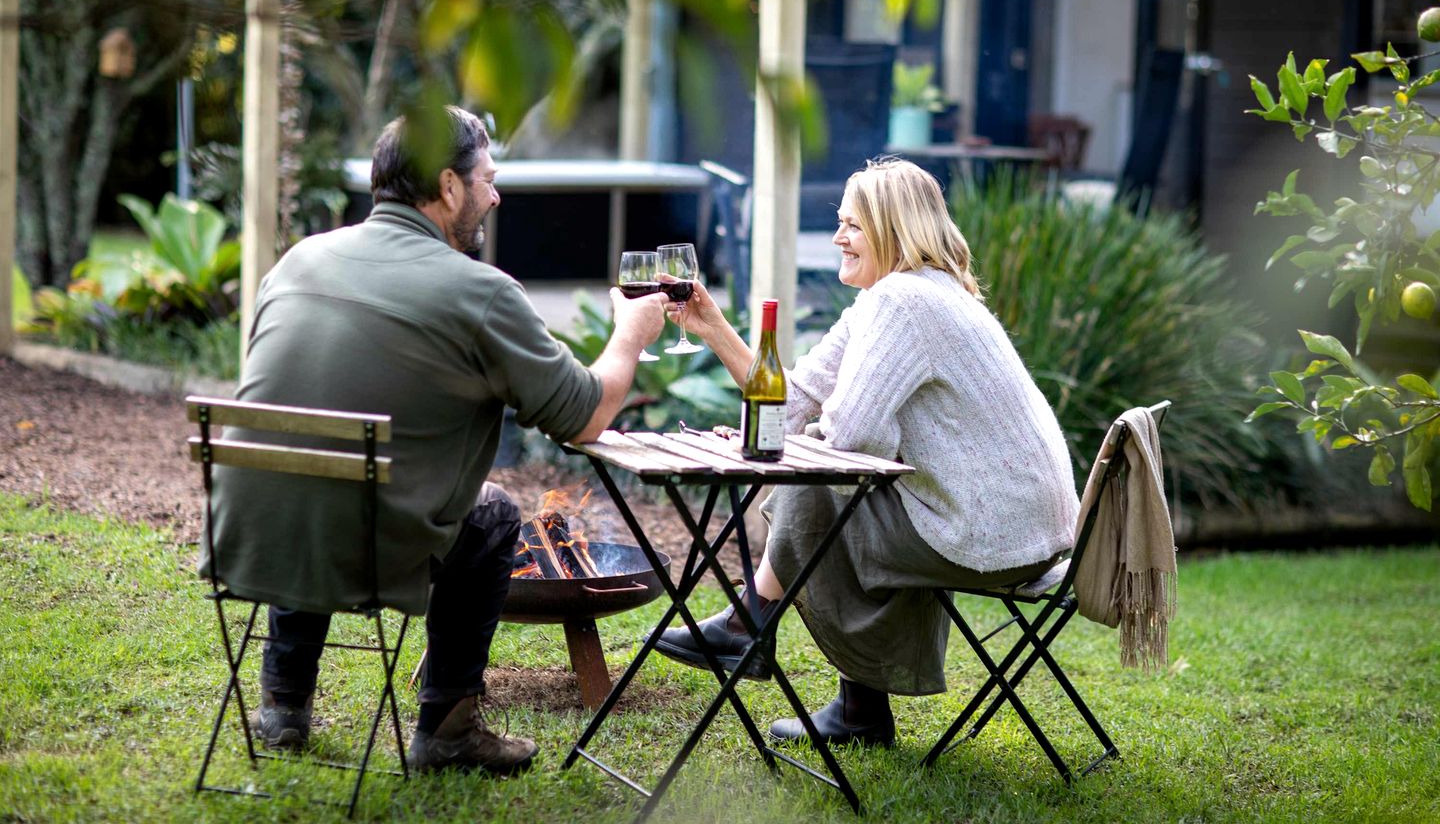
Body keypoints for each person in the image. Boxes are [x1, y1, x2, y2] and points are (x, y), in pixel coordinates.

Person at [198, 105, 666, 774]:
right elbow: (584, 415)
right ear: (449, 187)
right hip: (371, 548)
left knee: (320, 473)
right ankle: (449, 730)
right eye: (488, 178)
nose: (496, 195)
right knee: (496, 511)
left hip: (250, 530)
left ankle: (282, 707)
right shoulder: (479, 292)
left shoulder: (299, 260)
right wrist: (632, 331)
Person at [653, 157, 1079, 747]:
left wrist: (798, 444)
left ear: (891, 227)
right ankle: (838, 696)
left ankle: (751, 624)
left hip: (992, 536)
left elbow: (852, 437)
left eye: (852, 225)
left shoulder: (902, 301)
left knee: (821, 495)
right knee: (828, 489)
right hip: (1023, 531)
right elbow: (795, 397)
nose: (837, 238)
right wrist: (715, 327)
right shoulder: (913, 295)